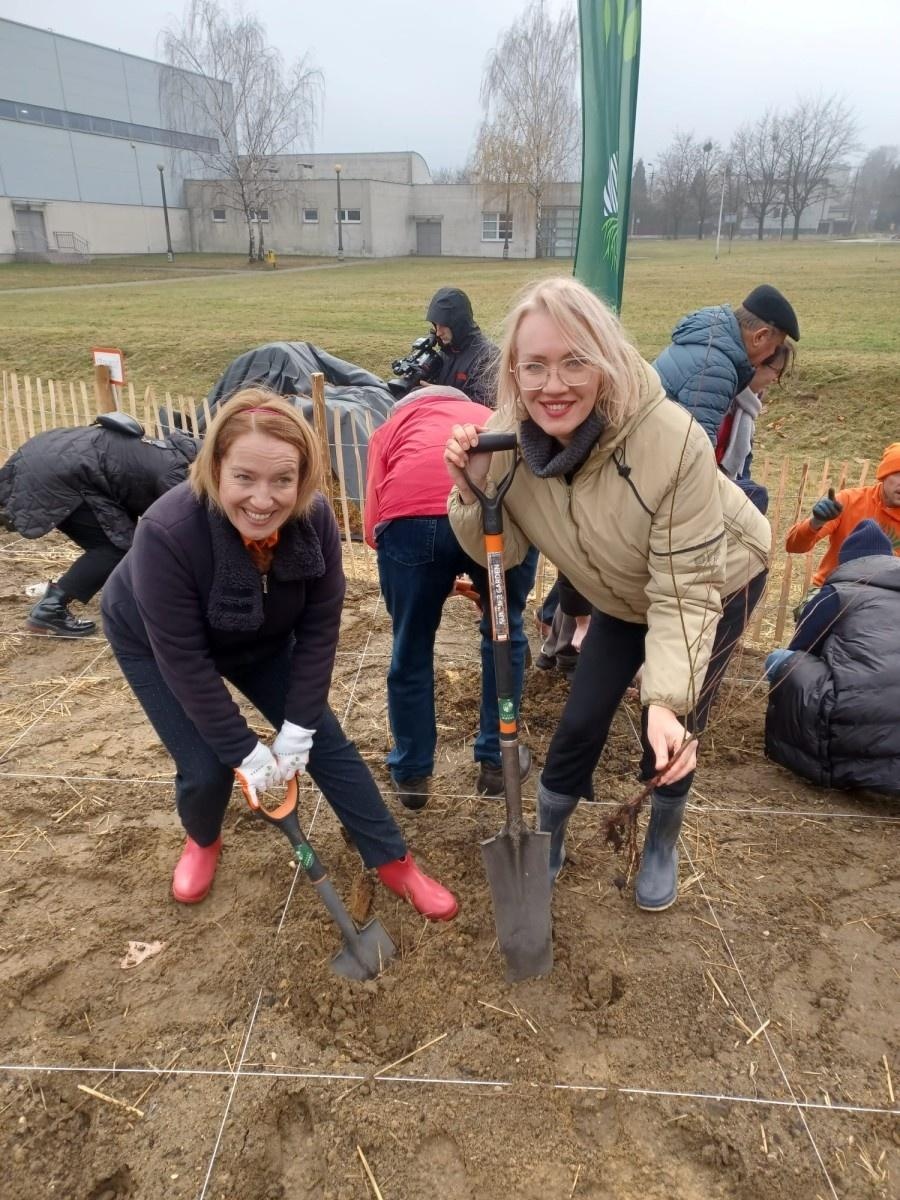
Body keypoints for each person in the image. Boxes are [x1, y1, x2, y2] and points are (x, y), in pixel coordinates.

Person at [445, 276, 770, 912]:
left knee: (673, 724)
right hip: (623, 595)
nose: (553, 384)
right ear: (513, 369)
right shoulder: (506, 439)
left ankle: (661, 844)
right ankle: (552, 839)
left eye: (574, 360)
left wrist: (665, 698)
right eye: (533, 365)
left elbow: (684, 590)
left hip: (714, 577)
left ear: (606, 359)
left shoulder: (670, 441)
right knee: (580, 722)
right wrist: (470, 487)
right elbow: (502, 551)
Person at [101, 390, 457, 919]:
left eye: (282, 480)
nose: (263, 500)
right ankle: (203, 839)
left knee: (328, 743)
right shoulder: (167, 532)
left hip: (261, 638)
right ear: (216, 467)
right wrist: (243, 749)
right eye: (244, 477)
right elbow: (185, 660)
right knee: (206, 767)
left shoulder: (315, 524)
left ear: (304, 476)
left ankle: (391, 859)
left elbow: (318, 634)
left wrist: (297, 730)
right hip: (154, 643)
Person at [365, 384, 537, 805]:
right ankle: (498, 762)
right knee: (503, 631)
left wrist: (415, 582)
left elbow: (372, 520)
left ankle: (411, 774)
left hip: (408, 522)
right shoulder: (484, 414)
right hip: (489, 515)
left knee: (411, 645)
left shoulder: (393, 426)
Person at [0, 415, 198, 636]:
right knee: (114, 549)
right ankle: (50, 609)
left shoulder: (162, 453)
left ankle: (127, 593)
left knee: (122, 539)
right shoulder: (177, 473)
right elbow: (178, 529)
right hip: (63, 476)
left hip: (45, 452)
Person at [765, 519, 900, 794]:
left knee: (780, 659)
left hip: (851, 721)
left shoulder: (837, 593)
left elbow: (801, 648)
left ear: (848, 562)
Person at [653, 283, 800, 450]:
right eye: (775, 345)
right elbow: (696, 454)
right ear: (760, 337)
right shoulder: (716, 370)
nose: (773, 352)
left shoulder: (708, 340)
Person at [784, 441, 900, 587]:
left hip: (885, 596)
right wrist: (816, 523)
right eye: (898, 474)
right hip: (833, 588)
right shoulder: (848, 501)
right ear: (884, 475)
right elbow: (794, 547)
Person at [714, 342, 795, 514]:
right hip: (702, 487)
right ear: (757, 364)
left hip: (722, 486)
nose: (776, 379)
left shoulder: (747, 411)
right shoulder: (721, 401)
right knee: (757, 496)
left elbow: (744, 470)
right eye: (776, 371)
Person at [421, 287, 497, 407]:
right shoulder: (446, 352)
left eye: (444, 325)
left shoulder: (488, 357)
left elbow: (485, 406)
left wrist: (442, 396)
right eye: (436, 325)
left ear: (458, 323)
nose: (438, 333)